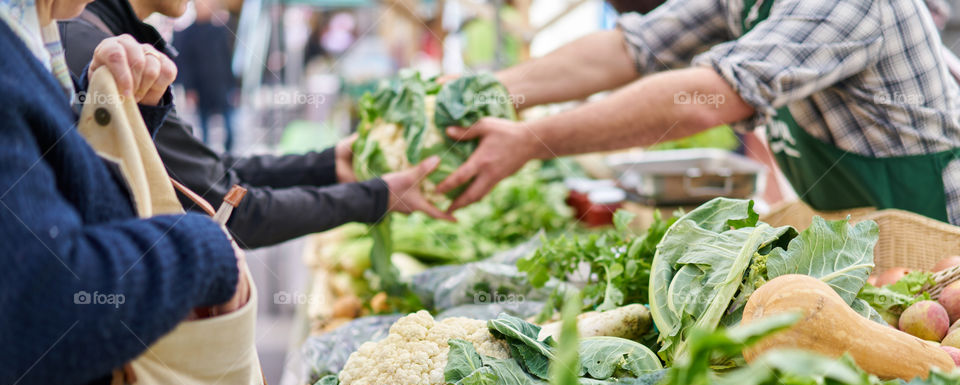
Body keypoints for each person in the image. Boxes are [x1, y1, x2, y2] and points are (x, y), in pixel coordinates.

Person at [0, 0, 252, 385]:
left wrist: (115, 116)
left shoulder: (36, 39)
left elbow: (46, 212)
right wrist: (202, 248)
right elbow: (38, 302)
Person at [438, 0, 960, 224]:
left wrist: (532, 141)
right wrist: (485, 91)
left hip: (939, 242)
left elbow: (704, 97)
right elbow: (632, 47)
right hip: (859, 238)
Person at [60, 0, 450, 251]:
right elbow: (231, 213)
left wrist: (327, 164)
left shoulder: (104, 37)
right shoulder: (91, 49)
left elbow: (213, 174)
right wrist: (378, 197)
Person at [171, 0, 235, 150]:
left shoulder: (219, 31)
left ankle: (228, 154)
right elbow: (185, 63)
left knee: (229, 125)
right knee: (204, 126)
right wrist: (189, 89)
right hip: (201, 87)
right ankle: (207, 155)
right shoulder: (187, 33)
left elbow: (226, 59)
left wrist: (232, 85)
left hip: (220, 85)